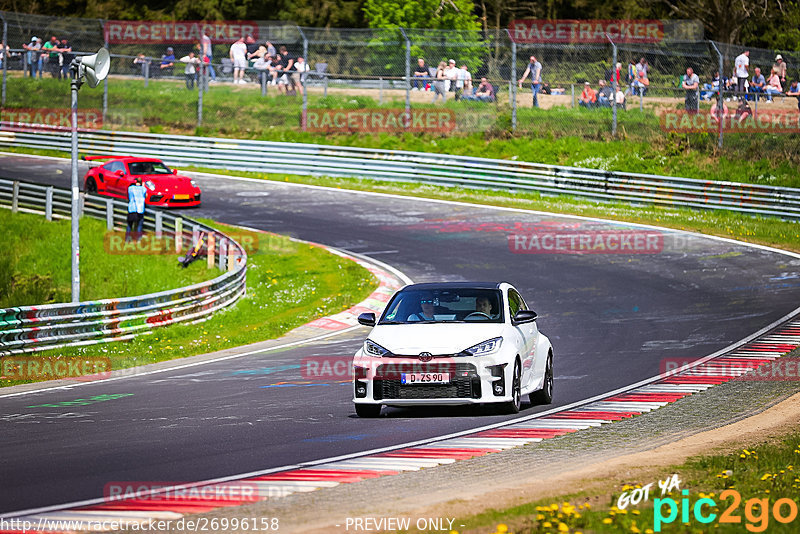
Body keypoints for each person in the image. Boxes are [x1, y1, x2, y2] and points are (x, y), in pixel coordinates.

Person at [126, 177, 147, 242]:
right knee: (139, 225)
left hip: (132, 209)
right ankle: (138, 240)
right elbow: (145, 196)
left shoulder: (130, 188)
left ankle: (127, 239)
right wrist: (143, 186)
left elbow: (129, 195)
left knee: (129, 225)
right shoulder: (143, 189)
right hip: (140, 209)